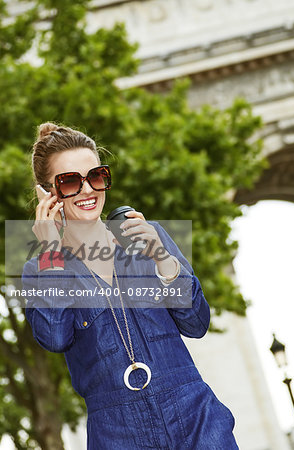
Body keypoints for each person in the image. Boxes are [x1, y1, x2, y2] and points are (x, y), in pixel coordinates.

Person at [22, 122, 239, 449]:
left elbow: (196, 323)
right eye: (69, 181)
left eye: (95, 176)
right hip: (117, 432)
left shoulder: (145, 237)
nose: (87, 190)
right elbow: (54, 337)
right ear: (47, 195)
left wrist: (163, 259)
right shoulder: (40, 268)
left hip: (195, 417)